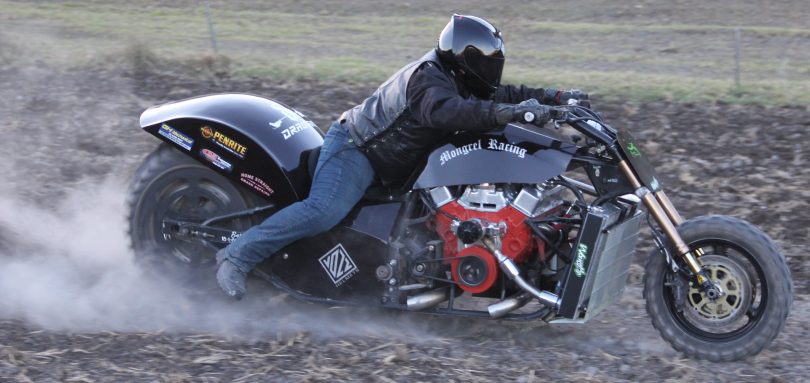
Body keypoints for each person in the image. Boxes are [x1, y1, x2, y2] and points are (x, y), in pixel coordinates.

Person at [215, 14, 590, 299]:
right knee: (324, 210)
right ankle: (236, 257)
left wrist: (554, 98)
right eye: (488, 62)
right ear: (467, 59)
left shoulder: (459, 78)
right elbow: (447, 111)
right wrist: (505, 113)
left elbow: (502, 95)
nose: (493, 69)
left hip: (401, 161)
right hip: (357, 149)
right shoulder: (428, 80)